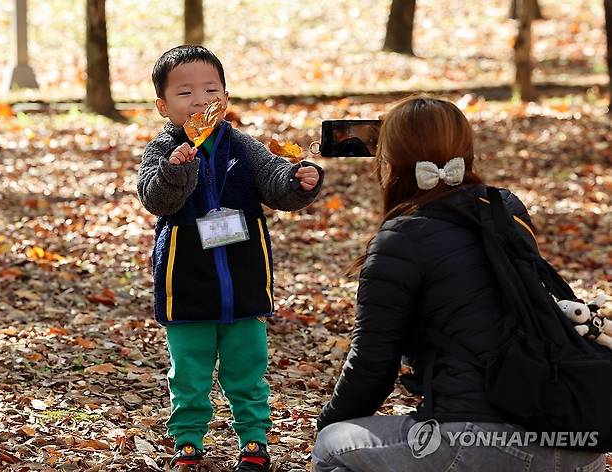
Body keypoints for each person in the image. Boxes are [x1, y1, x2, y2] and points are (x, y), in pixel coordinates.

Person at [312, 96, 605, 472]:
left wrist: (332, 420)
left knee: (332, 446)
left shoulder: (401, 237)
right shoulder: (506, 209)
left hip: (477, 440)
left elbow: (372, 364)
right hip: (573, 439)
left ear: (391, 164)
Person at [137, 45, 323, 472]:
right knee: (189, 370)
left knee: (247, 365)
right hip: (186, 281)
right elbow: (156, 199)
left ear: (225, 96)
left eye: (210, 90)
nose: (200, 101)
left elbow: (274, 182)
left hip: (243, 277)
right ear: (163, 106)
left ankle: (254, 439)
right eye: (186, 93)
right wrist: (176, 168)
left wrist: (300, 181)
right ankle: (187, 439)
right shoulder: (161, 150)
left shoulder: (243, 145)